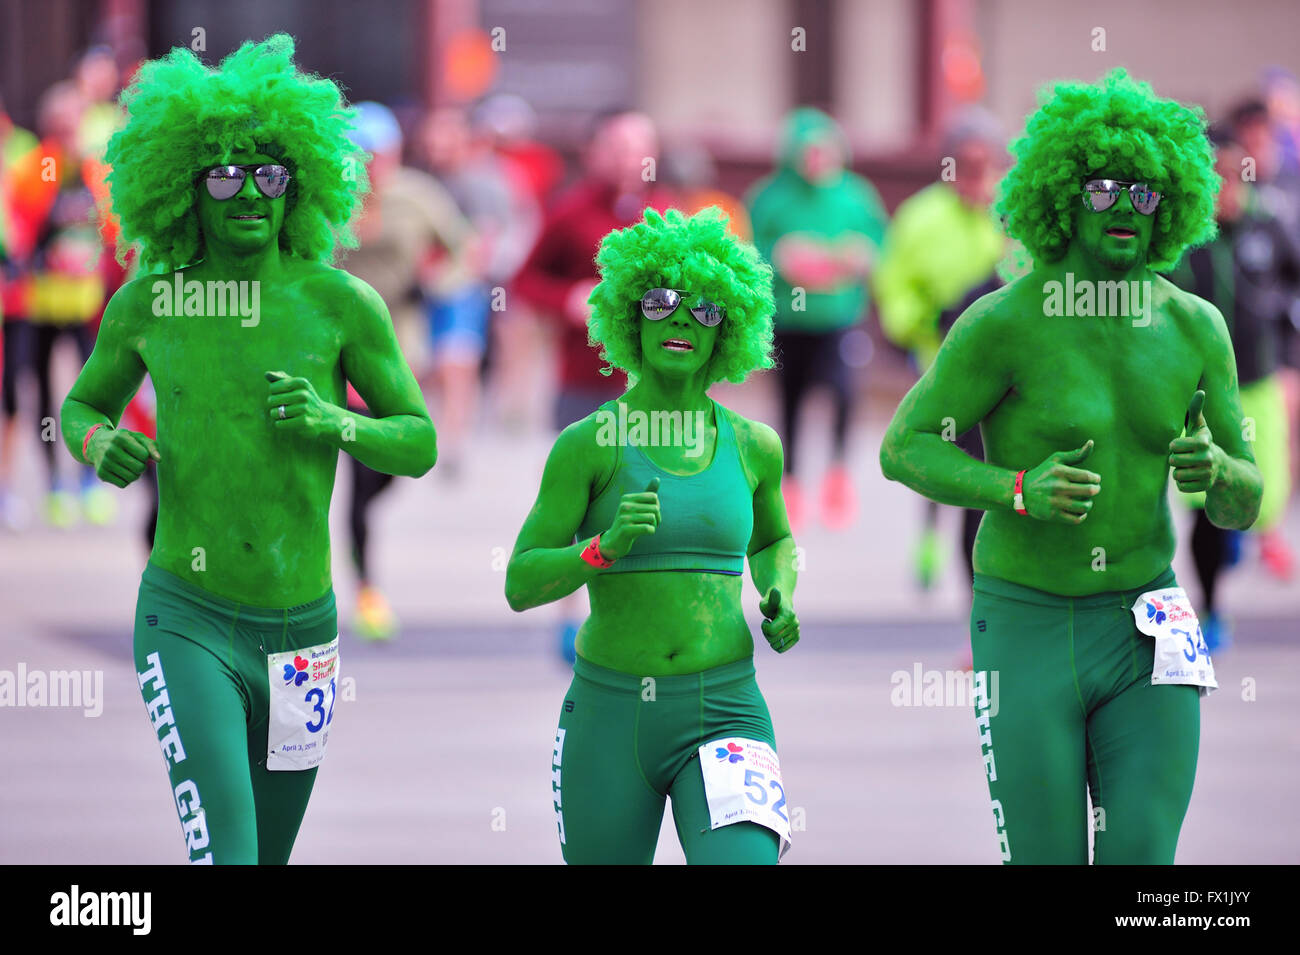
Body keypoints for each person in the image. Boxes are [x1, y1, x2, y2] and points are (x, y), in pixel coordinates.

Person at [60, 35, 436, 864]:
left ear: (296, 183)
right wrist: (98, 441)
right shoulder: (148, 302)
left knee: (267, 855)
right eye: (223, 175)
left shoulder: (342, 303)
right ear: (182, 188)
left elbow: (418, 442)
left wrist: (338, 422)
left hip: (305, 635)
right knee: (226, 853)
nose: (248, 194)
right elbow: (84, 403)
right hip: (186, 616)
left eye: (269, 174)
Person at [880, 69, 1262, 864]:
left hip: (1149, 618)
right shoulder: (1004, 321)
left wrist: (1219, 473)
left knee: (1143, 854)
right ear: (1064, 195)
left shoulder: (1197, 328)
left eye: (1146, 192)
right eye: (1105, 187)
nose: (1126, 205)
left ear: (1172, 205)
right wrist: (1015, 489)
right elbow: (904, 447)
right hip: (1028, 621)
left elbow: (1245, 502)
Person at [505, 206, 800, 864]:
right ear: (631, 314)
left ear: (728, 327)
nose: (680, 320)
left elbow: (775, 540)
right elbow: (520, 582)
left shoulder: (755, 445)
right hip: (612, 712)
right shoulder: (587, 444)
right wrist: (599, 549)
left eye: (704, 308)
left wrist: (779, 591)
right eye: (662, 300)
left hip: (727, 707)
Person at [513, 108, 676, 662]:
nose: (634, 157)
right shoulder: (570, 211)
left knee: (654, 498)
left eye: (643, 145)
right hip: (582, 382)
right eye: (622, 145)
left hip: (653, 389)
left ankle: (643, 610)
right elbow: (525, 279)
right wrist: (564, 298)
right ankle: (569, 615)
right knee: (583, 503)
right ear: (597, 151)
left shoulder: (665, 216)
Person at [339, 100, 473, 639]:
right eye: (361, 154)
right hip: (341, 351)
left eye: (381, 153)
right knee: (352, 477)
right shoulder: (328, 201)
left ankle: (363, 528)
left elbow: (464, 250)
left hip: (402, 348)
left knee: (393, 464)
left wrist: (437, 285)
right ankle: (367, 591)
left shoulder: (418, 197)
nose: (372, 164)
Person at [1166, 125, 1298, 648]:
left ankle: (1245, 535)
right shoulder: (1181, 241)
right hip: (1200, 392)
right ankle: (1211, 605)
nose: (1226, 187)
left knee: (1267, 497)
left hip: (1261, 383)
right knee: (1204, 503)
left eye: (1233, 175)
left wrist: (1289, 355)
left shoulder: (1269, 226)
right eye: (1214, 177)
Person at [874, 106, 1009, 589]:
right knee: (942, 461)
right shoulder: (921, 217)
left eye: (986, 163)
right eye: (965, 163)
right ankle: (931, 533)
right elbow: (894, 287)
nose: (976, 175)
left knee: (984, 482)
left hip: (1008, 374)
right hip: (942, 365)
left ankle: (984, 603)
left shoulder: (1011, 213)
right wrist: (920, 323)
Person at [746, 107, 888, 532]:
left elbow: (880, 242)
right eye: (809, 152)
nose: (817, 161)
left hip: (838, 317)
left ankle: (838, 473)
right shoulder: (770, 197)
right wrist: (783, 256)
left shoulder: (856, 196)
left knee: (844, 391)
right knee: (790, 400)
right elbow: (751, 250)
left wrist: (861, 256)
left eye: (825, 152)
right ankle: (789, 483)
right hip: (789, 318)